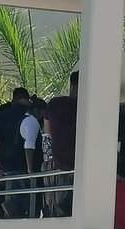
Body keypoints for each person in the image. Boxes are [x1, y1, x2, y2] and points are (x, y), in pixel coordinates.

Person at [0, 87, 32, 218]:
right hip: (20, 161)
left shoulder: (0, 117)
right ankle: (11, 208)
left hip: (6, 163)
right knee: (21, 196)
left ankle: (5, 209)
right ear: (23, 100)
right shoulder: (25, 117)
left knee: (11, 190)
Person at [45, 71, 79, 217]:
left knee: (57, 198)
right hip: (79, 161)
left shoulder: (55, 104)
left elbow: (47, 131)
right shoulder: (87, 106)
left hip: (58, 160)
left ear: (71, 85)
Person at [19, 97, 46, 217]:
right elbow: (29, 145)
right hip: (32, 165)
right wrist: (30, 169)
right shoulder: (32, 122)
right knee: (34, 199)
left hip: (27, 164)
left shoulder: (24, 119)